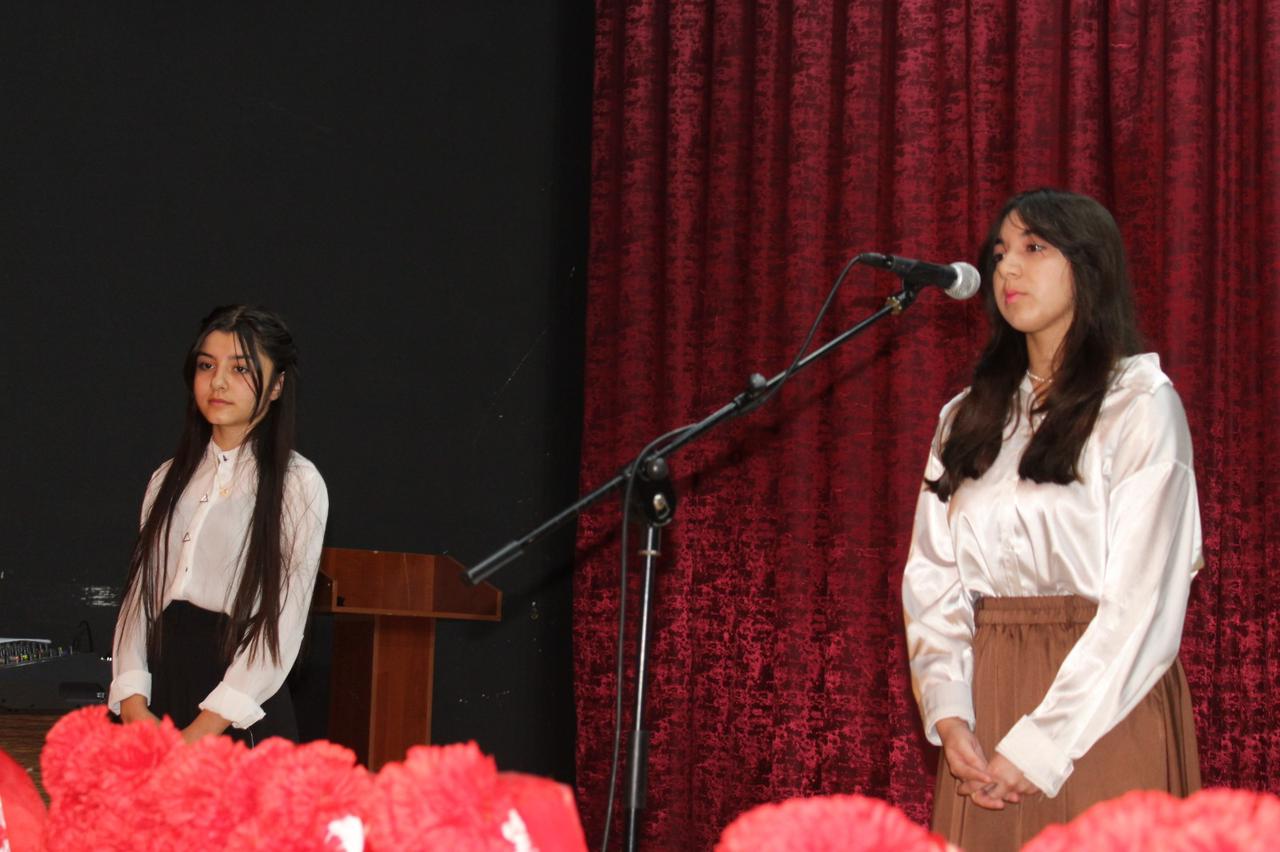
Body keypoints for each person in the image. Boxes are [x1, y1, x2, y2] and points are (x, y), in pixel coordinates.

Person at [901, 189, 1202, 850]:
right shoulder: (967, 417)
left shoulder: (1139, 405)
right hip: (986, 707)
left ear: (1088, 266)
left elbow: (1144, 603)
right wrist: (950, 715)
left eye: (1035, 248)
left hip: (1103, 705)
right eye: (1000, 253)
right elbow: (932, 579)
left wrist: (1041, 746)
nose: (1008, 268)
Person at [109, 305, 329, 746]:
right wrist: (132, 698)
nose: (219, 382)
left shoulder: (297, 484)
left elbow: (281, 625)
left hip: (238, 704)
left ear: (277, 385)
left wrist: (203, 730)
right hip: (158, 691)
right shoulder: (166, 478)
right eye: (207, 366)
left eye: (240, 368)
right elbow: (140, 597)